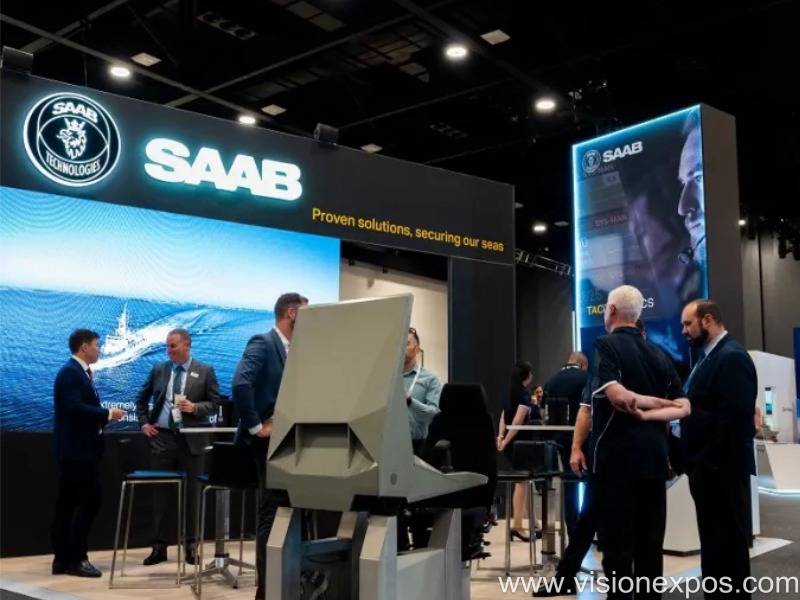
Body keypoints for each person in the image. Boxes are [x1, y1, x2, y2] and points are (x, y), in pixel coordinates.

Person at [586, 285, 690, 600]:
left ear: (611, 310)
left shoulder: (605, 345)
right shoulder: (659, 354)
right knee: (650, 547)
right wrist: (656, 409)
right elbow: (682, 406)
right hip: (655, 462)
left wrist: (643, 410)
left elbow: (619, 397)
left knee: (617, 550)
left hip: (617, 463)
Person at [679, 299, 757, 600]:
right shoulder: (709, 357)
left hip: (721, 472)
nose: (684, 330)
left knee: (728, 552)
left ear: (708, 320)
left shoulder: (731, 357)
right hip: (710, 473)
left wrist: (703, 463)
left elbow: (734, 422)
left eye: (688, 324)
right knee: (715, 548)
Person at [233, 292, 307, 600]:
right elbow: (240, 383)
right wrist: (256, 426)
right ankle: (266, 590)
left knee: (288, 512)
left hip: (292, 441)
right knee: (271, 514)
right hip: (266, 445)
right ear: (292, 313)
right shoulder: (263, 343)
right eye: (306, 312)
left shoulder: (296, 350)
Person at [135, 328, 221, 566]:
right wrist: (143, 424)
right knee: (160, 495)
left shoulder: (205, 370)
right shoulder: (159, 369)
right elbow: (141, 399)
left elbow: (215, 403)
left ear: (187, 345)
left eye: (173, 345)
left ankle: (191, 546)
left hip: (192, 440)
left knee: (193, 495)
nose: (168, 350)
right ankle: (159, 548)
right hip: (162, 439)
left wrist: (195, 408)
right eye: (167, 346)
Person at [51, 329, 126, 577]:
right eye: (96, 345)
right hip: (77, 453)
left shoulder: (79, 372)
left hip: (78, 451)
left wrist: (103, 419)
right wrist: (107, 414)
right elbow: (74, 409)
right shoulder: (71, 373)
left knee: (68, 505)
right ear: (84, 347)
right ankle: (76, 558)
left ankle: (63, 559)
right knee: (88, 502)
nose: (99, 349)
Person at [541, 353, 589, 541]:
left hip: (558, 439)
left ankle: (573, 529)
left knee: (569, 483)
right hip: (583, 437)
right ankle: (590, 528)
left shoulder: (551, 381)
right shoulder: (586, 378)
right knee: (591, 481)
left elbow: (544, 414)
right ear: (583, 364)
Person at [497, 361, 538, 542]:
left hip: (510, 441)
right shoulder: (523, 394)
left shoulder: (509, 393)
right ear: (527, 375)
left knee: (525, 481)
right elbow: (518, 421)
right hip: (520, 442)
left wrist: (500, 437)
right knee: (522, 482)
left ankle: (534, 522)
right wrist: (506, 440)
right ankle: (518, 525)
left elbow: (503, 417)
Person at [403, 327, 442, 455]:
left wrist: (410, 402)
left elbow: (434, 416)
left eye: (407, 344)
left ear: (417, 349)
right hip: (388, 444)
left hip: (418, 446)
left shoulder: (430, 379)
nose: (401, 348)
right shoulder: (388, 379)